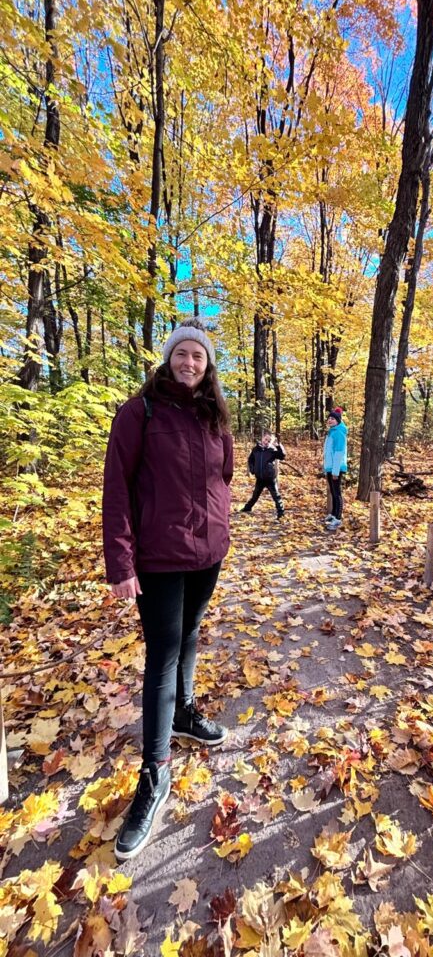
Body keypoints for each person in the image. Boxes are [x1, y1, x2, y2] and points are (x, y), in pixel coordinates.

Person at [102, 317, 233, 861]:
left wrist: (220, 525)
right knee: (162, 654)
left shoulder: (214, 415)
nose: (188, 363)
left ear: (207, 365)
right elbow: (116, 488)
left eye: (197, 357)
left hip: (208, 554)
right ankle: (154, 773)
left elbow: (224, 474)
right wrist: (120, 564)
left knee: (191, 635)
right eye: (181, 354)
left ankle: (183, 714)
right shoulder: (139, 412)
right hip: (156, 558)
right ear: (168, 358)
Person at [241, 431, 286, 519]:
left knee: (276, 496)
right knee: (255, 495)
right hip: (260, 478)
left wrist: (278, 445)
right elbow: (250, 460)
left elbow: (282, 456)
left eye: (269, 441)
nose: (267, 442)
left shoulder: (272, 450)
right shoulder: (256, 449)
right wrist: (252, 470)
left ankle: (281, 513)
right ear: (262, 438)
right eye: (266, 439)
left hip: (270, 478)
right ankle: (247, 508)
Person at [323, 407, 348, 530]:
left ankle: (338, 518)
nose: (330, 420)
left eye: (333, 419)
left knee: (337, 493)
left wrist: (335, 471)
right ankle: (333, 514)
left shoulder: (339, 432)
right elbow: (328, 452)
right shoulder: (332, 432)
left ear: (338, 420)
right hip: (330, 467)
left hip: (336, 468)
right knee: (332, 492)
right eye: (329, 418)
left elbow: (339, 453)